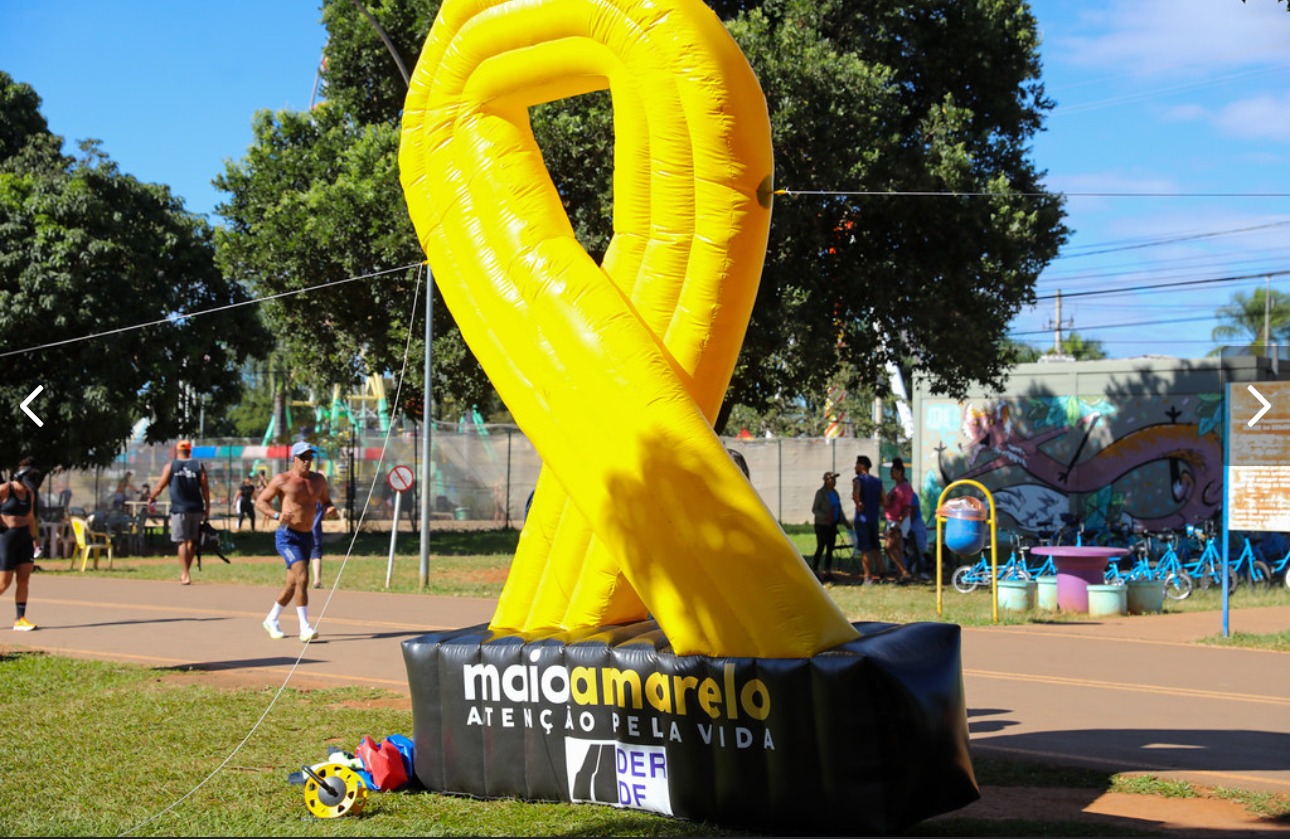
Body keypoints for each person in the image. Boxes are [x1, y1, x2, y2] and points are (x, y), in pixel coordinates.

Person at [256, 442, 337, 642]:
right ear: (295, 458)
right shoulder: (283, 480)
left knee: (292, 584)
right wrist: (277, 515)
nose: (308, 461)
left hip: (306, 536)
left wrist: (330, 509)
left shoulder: (318, 481)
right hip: (287, 537)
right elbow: (260, 501)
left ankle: (271, 619)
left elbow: (326, 501)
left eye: (310, 457)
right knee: (303, 577)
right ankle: (305, 627)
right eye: (304, 457)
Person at [147, 440, 211, 585]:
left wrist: (152, 497)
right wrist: (207, 507)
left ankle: (185, 573)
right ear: (190, 451)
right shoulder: (198, 465)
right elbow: (205, 488)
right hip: (196, 507)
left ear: (177, 451)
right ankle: (185, 572)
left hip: (179, 509)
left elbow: (160, 486)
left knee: (182, 541)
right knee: (192, 541)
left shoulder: (171, 466)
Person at [0, 457, 42, 630]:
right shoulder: (4, 489)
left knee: (24, 579)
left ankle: (20, 619)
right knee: (4, 583)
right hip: (6, 539)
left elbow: (30, 517)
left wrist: (34, 539)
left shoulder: (29, 494)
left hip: (24, 538)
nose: (26, 488)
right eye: (25, 484)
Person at [851, 455, 884, 585]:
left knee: (865, 548)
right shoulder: (878, 481)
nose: (855, 467)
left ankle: (867, 577)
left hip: (862, 519)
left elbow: (856, 493)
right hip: (874, 518)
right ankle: (882, 574)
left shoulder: (857, 480)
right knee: (876, 547)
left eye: (857, 464)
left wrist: (858, 503)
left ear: (862, 466)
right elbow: (884, 499)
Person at [882, 457, 915, 584]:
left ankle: (904, 572)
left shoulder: (905, 488)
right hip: (893, 520)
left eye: (893, 470)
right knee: (897, 548)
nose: (891, 473)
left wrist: (898, 524)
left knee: (889, 547)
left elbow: (906, 507)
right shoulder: (896, 487)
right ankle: (902, 573)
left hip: (899, 521)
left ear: (900, 472)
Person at [810, 471, 847, 582]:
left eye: (835, 479)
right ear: (826, 480)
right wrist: (825, 516)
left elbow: (839, 509)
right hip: (822, 525)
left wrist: (845, 522)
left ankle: (827, 571)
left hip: (832, 525)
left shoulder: (835, 493)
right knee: (821, 547)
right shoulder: (820, 493)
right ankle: (815, 570)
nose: (834, 481)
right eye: (832, 479)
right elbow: (814, 509)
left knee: (830, 548)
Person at [309, 500, 325, 589]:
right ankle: (317, 579)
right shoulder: (319, 498)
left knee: (315, 553)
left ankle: (317, 580)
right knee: (316, 554)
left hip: (310, 531)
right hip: (314, 532)